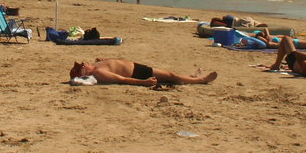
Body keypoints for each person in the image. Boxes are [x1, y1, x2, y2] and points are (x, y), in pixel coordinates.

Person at [69, 58, 216, 86]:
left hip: (137, 67)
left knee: (169, 75)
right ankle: (200, 80)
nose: (84, 62)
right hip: (138, 74)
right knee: (171, 76)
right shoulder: (99, 73)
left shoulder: (96, 65)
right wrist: (143, 83)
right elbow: (122, 79)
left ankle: (189, 77)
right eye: (82, 65)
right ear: (83, 72)